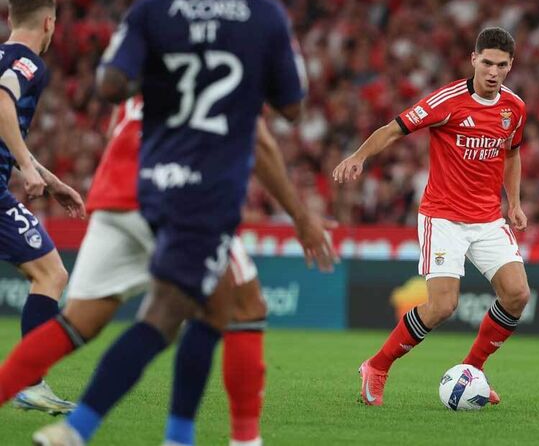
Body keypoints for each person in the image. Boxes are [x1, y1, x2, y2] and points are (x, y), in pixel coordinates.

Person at [29, 0, 309, 443]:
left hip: (151, 182)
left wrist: (158, 73)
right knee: (188, 314)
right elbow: (292, 106)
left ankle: (112, 430)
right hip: (206, 192)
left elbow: (109, 85)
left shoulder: (153, 10)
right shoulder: (264, 14)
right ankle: (97, 429)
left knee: (186, 309)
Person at [0, 95, 335, 446]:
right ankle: (233, 439)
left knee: (85, 321)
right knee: (242, 306)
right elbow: (270, 128)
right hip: (175, 194)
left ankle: (76, 430)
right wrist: (300, 217)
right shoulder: (226, 52)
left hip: (114, 192)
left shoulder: (143, 48)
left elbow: (114, 99)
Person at [333, 26, 530, 407]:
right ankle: (376, 366)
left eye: (501, 65)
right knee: (442, 306)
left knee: (518, 294)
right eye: (486, 62)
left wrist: (516, 203)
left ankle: (472, 370)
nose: (492, 71)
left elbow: (512, 154)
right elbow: (394, 129)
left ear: (510, 66)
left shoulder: (514, 108)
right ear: (474, 59)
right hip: (443, 217)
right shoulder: (447, 101)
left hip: (488, 219)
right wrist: (359, 156)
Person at [0, 0, 87, 415]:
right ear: (49, 23)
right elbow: (1, 99)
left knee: (49, 273)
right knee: (51, 274)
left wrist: (49, 180)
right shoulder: (28, 63)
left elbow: (4, 128)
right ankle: (29, 383)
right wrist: (28, 169)